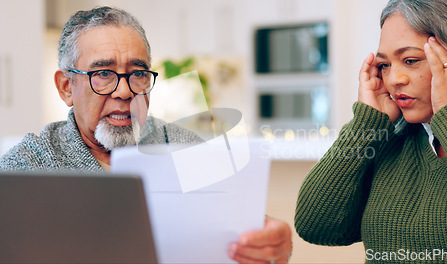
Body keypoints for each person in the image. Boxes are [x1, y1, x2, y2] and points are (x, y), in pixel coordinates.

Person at [0, 6, 292, 263]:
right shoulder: (27, 166)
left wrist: (276, 246)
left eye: (137, 74)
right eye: (103, 73)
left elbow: (246, 232)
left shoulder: (185, 147)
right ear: (66, 87)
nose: (125, 91)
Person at [295, 0, 447, 262]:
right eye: (384, 65)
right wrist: (366, 123)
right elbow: (316, 226)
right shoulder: (393, 140)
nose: (393, 80)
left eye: (411, 60)